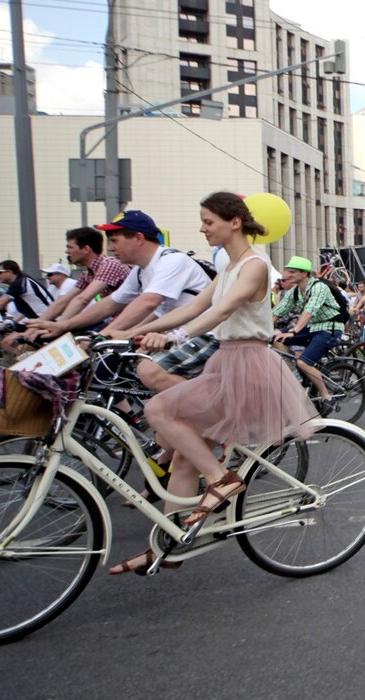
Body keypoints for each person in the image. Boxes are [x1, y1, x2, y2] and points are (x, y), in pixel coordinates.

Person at [107, 191, 317, 575]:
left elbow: (222, 310)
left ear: (234, 222)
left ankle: (221, 478)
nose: (202, 228)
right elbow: (193, 307)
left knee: (159, 409)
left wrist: (174, 338)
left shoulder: (255, 265)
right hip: (226, 360)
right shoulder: (229, 267)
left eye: (208, 221)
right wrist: (131, 332)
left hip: (249, 365)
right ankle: (168, 546)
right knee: (185, 458)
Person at [28, 211, 210, 343]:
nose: (110, 248)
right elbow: (110, 304)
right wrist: (63, 325)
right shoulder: (139, 272)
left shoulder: (171, 260)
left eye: (115, 241)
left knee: (149, 373)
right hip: (177, 335)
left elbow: (147, 303)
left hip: (204, 335)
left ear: (139, 238)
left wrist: (104, 335)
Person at [271, 255, 346, 407]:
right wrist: (263, 329)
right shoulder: (296, 291)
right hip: (312, 327)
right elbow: (279, 310)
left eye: (292, 272)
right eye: (287, 271)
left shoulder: (319, 287)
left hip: (330, 328)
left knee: (303, 362)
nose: (287, 275)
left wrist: (294, 331)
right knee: (276, 338)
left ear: (304, 273)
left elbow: (309, 311)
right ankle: (299, 377)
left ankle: (326, 396)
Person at [27, 226, 132, 329]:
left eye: (70, 247)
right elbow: (64, 301)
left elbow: (82, 300)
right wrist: (37, 326)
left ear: (86, 249)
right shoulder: (87, 274)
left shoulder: (110, 265)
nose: (67, 251)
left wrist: (58, 326)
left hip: (129, 322)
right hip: (119, 320)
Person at [0, 261, 53, 329]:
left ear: (9, 272)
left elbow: (0, 303)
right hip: (41, 320)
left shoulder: (19, 283)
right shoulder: (21, 280)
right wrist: (12, 322)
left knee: (17, 336)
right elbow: (25, 310)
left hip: (49, 320)